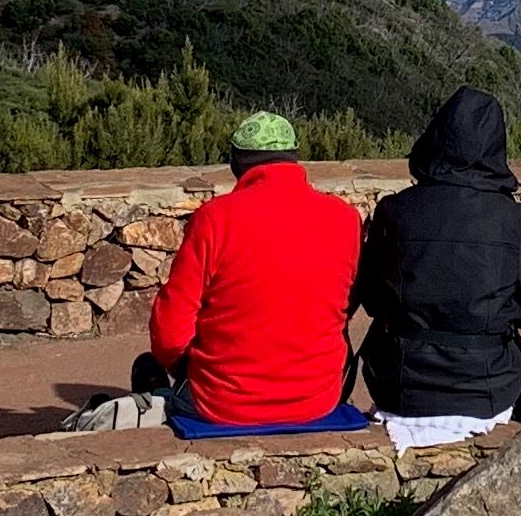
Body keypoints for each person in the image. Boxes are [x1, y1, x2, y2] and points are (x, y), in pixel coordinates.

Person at [63, 110, 362, 433]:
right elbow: (345, 306)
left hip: (224, 402)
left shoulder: (214, 219)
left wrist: (183, 366)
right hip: (316, 399)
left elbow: (170, 332)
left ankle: (156, 398)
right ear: (294, 159)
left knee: (148, 367)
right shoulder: (345, 219)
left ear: (237, 162)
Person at [355, 84, 521, 427]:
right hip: (487, 389)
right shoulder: (513, 219)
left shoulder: (393, 211)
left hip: (400, 385)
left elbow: (370, 299)